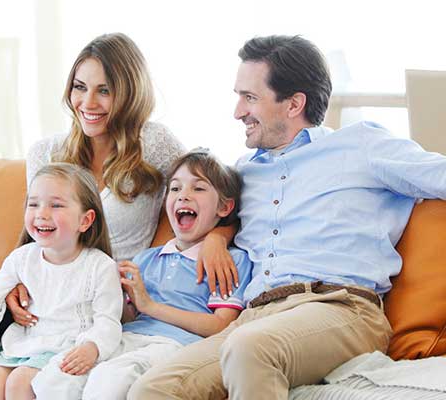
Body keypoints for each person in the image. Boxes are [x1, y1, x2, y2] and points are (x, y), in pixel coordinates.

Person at [0, 32, 235, 400]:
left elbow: (206, 190)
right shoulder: (46, 152)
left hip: (101, 296)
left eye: (105, 90)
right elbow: (35, 233)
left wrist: (217, 237)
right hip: (47, 288)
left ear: (129, 93)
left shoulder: (154, 143)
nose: (88, 102)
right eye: (80, 87)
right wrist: (16, 284)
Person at [128, 35, 446, 400]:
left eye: (249, 98)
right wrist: (218, 237)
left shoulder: (362, 146)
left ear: (294, 103)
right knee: (152, 389)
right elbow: (219, 212)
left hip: (340, 307)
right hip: (256, 317)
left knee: (250, 349)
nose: (237, 112)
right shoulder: (244, 172)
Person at [0, 163, 123, 399]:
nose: (42, 213)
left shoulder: (100, 266)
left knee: (20, 383)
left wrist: (93, 347)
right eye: (33, 204)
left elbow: (108, 320)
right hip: (26, 345)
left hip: (70, 348)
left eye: (56, 205)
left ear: (85, 220)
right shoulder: (22, 258)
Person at [80, 150, 252, 399]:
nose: (184, 196)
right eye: (175, 189)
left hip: (176, 345)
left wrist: (149, 306)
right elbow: (130, 317)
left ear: (224, 207)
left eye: (198, 189)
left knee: (112, 377)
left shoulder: (229, 260)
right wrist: (116, 291)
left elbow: (221, 326)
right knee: (68, 373)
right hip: (129, 338)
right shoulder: (147, 258)